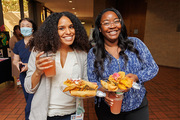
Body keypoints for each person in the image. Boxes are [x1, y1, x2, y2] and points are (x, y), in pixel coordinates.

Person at [87, 8, 159, 120]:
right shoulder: (93, 53)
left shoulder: (136, 43)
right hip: (107, 108)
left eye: (116, 21)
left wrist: (136, 77)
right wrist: (105, 92)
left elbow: (153, 68)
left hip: (137, 106)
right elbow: (92, 81)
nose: (112, 26)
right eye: (106, 23)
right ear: (100, 29)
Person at [24, 12, 90, 120]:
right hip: (45, 115)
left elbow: (84, 82)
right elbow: (29, 88)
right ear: (52, 32)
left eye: (71, 27)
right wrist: (38, 72)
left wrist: (91, 90)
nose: (68, 32)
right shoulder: (40, 52)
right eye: (61, 28)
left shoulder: (81, 54)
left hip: (72, 114)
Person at [13, 18, 37, 120]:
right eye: (22, 26)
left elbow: (45, 59)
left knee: (33, 102)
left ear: (32, 29)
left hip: (38, 74)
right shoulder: (18, 44)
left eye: (28, 25)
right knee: (28, 100)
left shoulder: (39, 42)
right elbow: (15, 60)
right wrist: (18, 64)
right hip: (24, 75)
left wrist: (30, 66)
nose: (24, 28)